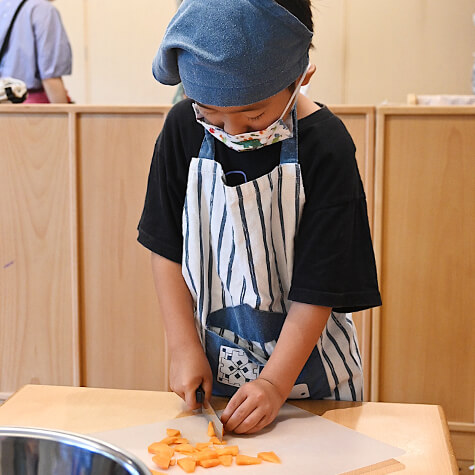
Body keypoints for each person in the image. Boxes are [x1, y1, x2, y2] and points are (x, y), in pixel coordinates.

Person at [138, 0, 381, 435]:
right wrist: (183, 345)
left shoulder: (326, 146)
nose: (232, 132)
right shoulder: (181, 130)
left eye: (254, 117)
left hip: (316, 386)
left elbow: (320, 286)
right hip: (217, 381)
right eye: (210, 114)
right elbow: (166, 248)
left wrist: (273, 383)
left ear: (301, 76)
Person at [0, 0, 72, 103]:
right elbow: (50, 77)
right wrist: (64, 111)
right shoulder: (43, 9)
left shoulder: (4, 5)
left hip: (4, 102)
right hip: (30, 103)